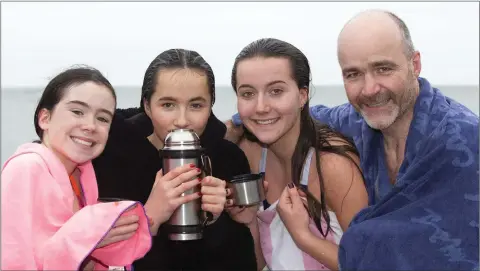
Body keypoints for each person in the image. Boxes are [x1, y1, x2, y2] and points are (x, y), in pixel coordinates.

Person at [227, 10, 479, 271]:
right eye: (353, 74)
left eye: (383, 69)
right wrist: (229, 127)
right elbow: (301, 115)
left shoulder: (463, 144)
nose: (369, 89)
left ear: (414, 64)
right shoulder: (358, 121)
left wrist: (304, 237)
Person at [92, 49, 257, 270]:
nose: (182, 120)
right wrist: (150, 216)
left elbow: (244, 262)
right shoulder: (110, 158)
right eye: (168, 105)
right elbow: (95, 257)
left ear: (211, 107)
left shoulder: (228, 158)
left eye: (196, 105)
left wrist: (216, 222)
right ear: (148, 106)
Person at [226, 38, 369, 271]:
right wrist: (250, 220)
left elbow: (369, 262)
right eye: (248, 93)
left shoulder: (331, 166)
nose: (261, 106)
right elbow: (260, 260)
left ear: (302, 96)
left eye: (276, 91)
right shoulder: (250, 155)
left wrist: (303, 236)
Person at [1, 67, 152, 270]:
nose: (90, 125)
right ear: (44, 118)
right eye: (77, 112)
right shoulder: (25, 169)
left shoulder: (82, 178)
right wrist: (85, 237)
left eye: (102, 118)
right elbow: (14, 260)